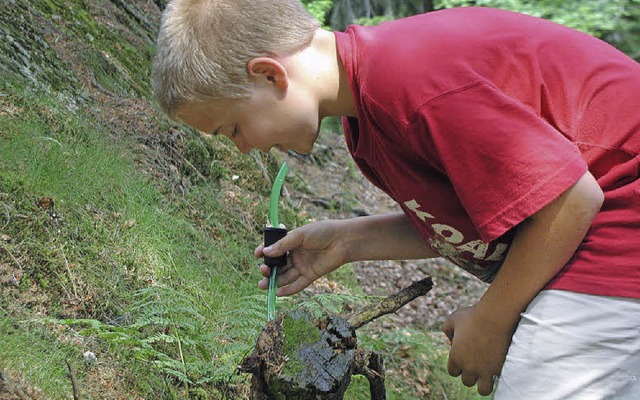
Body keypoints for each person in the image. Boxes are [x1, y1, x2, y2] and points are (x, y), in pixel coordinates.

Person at [152, 1, 640, 398]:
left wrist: (491, 319)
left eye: (233, 128)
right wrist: (347, 242)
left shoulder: (409, 82)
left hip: (621, 215)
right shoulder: (367, 117)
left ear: (270, 75)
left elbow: (571, 199)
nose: (242, 146)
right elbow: (490, 208)